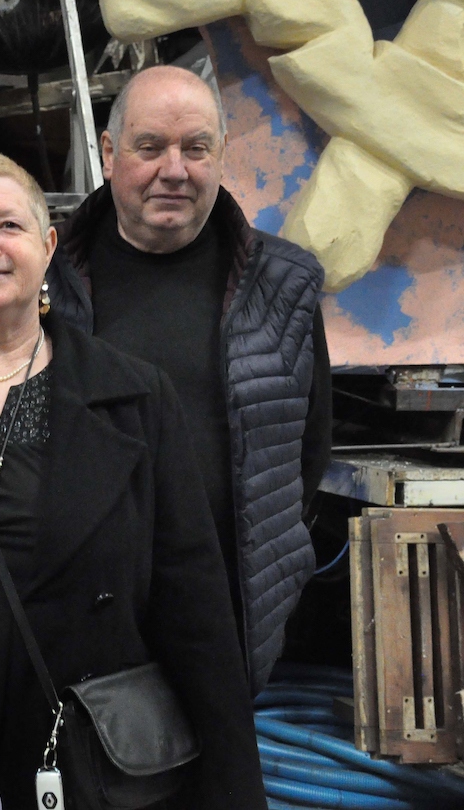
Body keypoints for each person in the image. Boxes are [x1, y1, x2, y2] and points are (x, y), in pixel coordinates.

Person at [0, 149, 265, 809]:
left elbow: (195, 610)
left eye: (9, 226)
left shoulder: (134, 396)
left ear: (47, 247)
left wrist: (233, 790)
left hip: (81, 755)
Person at [47, 65, 331, 695]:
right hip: (76, 625)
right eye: (150, 147)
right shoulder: (47, 283)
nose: (174, 170)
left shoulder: (284, 284)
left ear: (221, 154)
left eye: (196, 148)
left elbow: (307, 450)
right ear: (110, 153)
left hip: (229, 623)